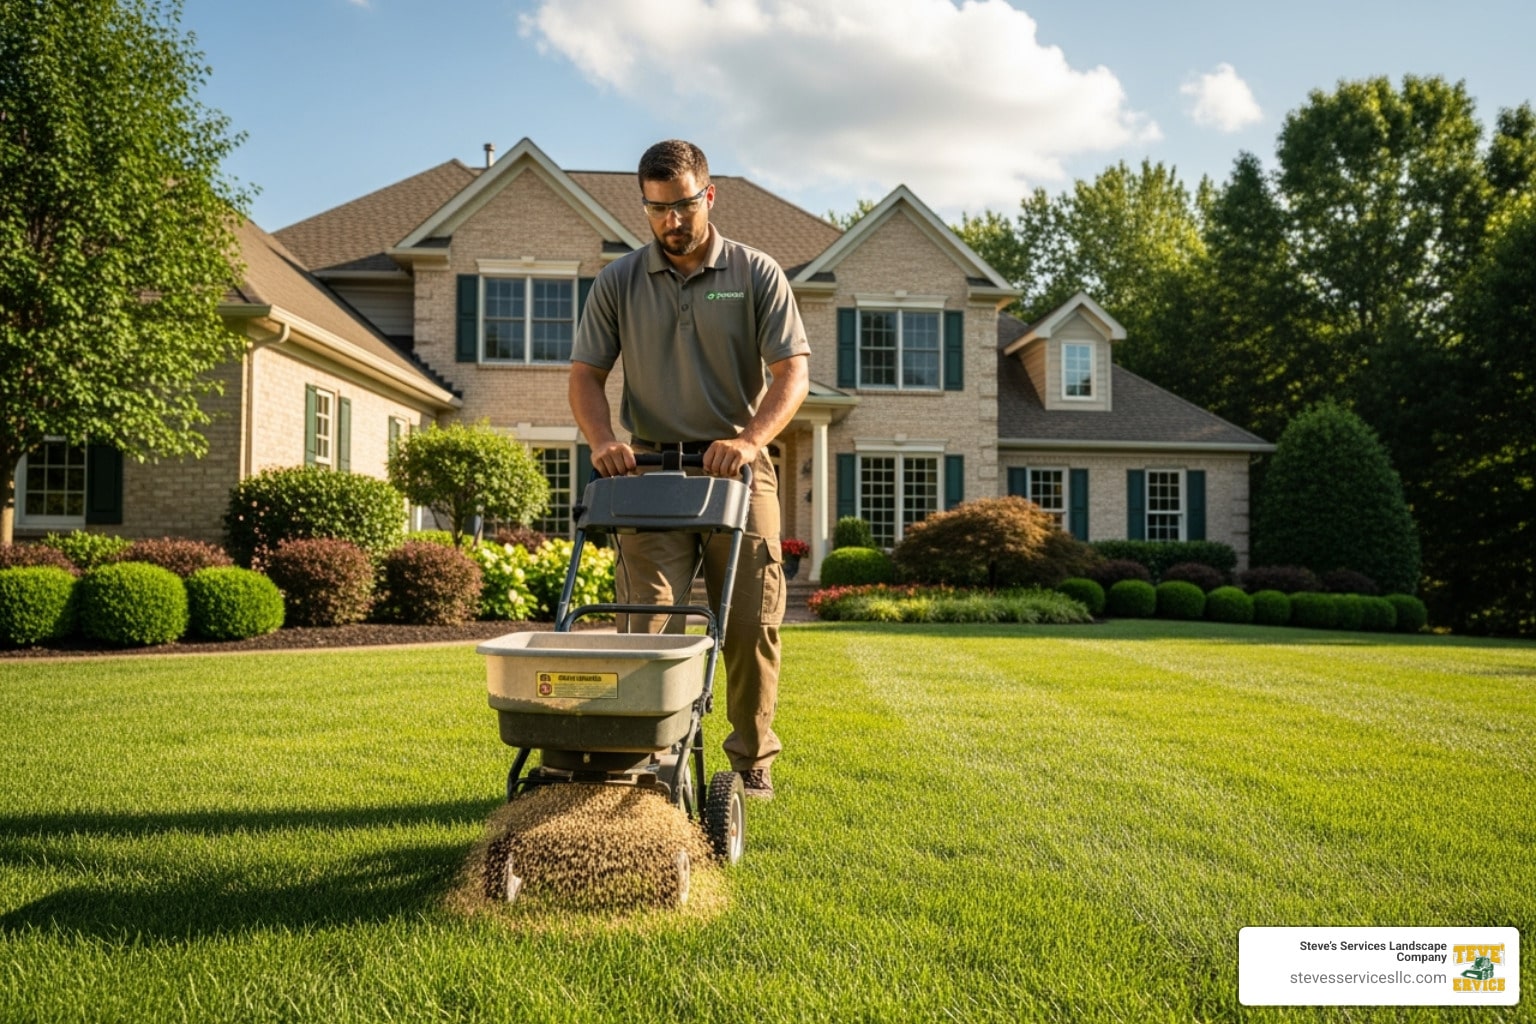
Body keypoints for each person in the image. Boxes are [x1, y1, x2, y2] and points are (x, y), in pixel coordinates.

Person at [569, 139, 809, 801]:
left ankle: (752, 758)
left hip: (736, 470)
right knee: (643, 620)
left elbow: (793, 372)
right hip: (649, 474)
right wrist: (602, 440)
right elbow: (586, 375)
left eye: (681, 206)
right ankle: (646, 757)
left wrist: (751, 439)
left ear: (709, 195)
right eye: (655, 209)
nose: (671, 222)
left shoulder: (754, 273)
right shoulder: (620, 281)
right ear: (643, 207)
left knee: (751, 621)